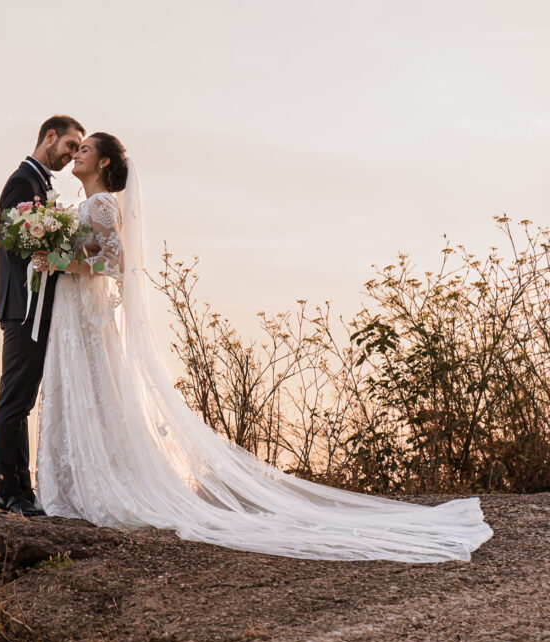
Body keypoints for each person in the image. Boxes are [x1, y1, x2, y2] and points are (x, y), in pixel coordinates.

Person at [30, 131, 493, 562]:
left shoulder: (103, 206)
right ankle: (78, 482)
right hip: (78, 312)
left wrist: (55, 260)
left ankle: (102, 484)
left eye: (86, 149)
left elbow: (112, 261)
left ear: (104, 160)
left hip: (85, 311)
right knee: (86, 390)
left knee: (95, 387)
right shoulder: (86, 203)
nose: (77, 154)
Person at [0, 115, 84, 517]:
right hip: (23, 307)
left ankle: (20, 491)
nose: (71, 154)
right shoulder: (22, 182)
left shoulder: (40, 184)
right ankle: (7, 492)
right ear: (50, 136)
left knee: (23, 402)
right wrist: (46, 249)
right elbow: (13, 247)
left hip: (38, 306)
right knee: (13, 401)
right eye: (70, 145)